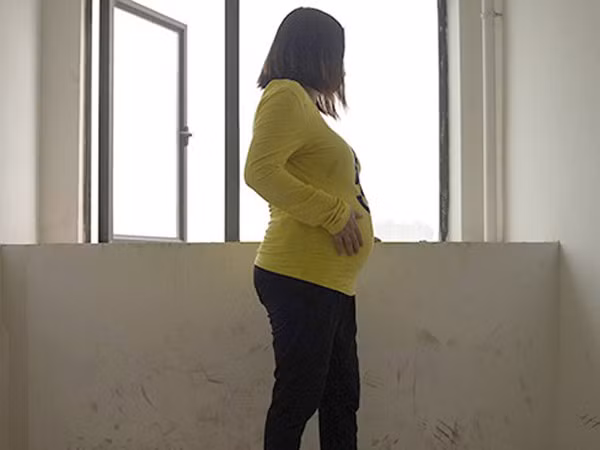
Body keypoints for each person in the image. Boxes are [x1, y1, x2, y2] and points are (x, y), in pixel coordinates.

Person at [244, 7, 374, 450]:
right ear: (316, 53)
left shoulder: (305, 107)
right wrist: (336, 215)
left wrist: (357, 221)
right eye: (337, 55)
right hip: (301, 278)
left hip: (329, 281)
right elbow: (259, 171)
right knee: (297, 402)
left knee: (341, 402)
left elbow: (317, 178)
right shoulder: (285, 96)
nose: (341, 68)